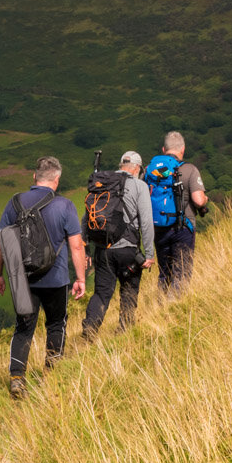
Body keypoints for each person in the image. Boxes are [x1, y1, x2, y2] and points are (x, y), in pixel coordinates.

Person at [0, 156, 86, 400]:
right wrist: (81, 279)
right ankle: (51, 373)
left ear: (34, 177)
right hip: (56, 279)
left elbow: (1, 242)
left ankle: (17, 379)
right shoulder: (65, 206)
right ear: (57, 179)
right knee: (56, 324)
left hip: (24, 280)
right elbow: (76, 246)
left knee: (23, 328)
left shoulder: (15, 203)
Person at [81, 150, 156, 339]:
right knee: (129, 291)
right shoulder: (139, 186)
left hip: (103, 249)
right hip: (128, 250)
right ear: (137, 168)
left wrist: (86, 249)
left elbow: (86, 217)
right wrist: (149, 254)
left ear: (121, 165)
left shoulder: (103, 184)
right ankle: (124, 333)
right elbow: (146, 222)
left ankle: (90, 328)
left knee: (101, 293)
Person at [152, 131, 208, 294]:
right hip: (183, 227)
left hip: (159, 228)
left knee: (164, 274)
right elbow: (198, 200)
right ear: (183, 149)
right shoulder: (190, 169)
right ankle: (173, 308)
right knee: (181, 273)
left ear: (164, 149)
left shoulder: (153, 172)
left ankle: (159, 310)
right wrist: (205, 200)